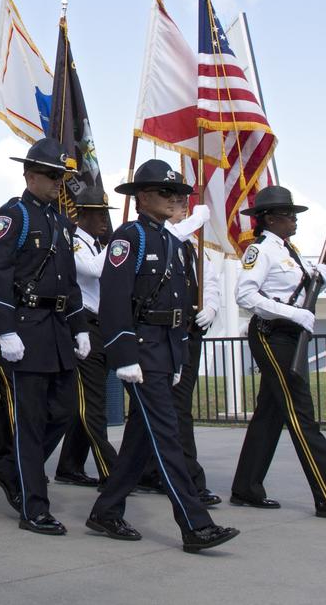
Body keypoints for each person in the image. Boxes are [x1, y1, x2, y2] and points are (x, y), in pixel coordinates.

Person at [87, 159, 240, 553]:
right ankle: (195, 525)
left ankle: (106, 511)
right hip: (139, 348)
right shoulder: (130, 238)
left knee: (142, 438)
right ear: (142, 197)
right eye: (166, 192)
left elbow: (177, 304)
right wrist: (123, 355)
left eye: (178, 193)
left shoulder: (171, 241)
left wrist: (176, 360)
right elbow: (115, 301)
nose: (175, 199)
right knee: (167, 436)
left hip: (164, 350)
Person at [230, 185, 326, 518]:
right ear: (270, 219)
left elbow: (297, 291)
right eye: (289, 214)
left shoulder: (290, 250)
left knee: (271, 414)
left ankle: (246, 488)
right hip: (271, 335)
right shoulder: (260, 251)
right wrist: (293, 313)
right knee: (299, 412)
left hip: (289, 337)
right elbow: (245, 296)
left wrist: (319, 278)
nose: (294, 219)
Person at [0, 138, 87, 535]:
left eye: (62, 176)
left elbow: (70, 281)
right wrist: (4, 330)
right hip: (25, 329)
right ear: (29, 174)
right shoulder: (15, 215)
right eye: (51, 175)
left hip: (57, 329)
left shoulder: (60, 221)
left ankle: (11, 468)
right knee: (30, 421)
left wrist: (79, 327)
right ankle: (34, 507)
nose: (58, 182)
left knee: (64, 410)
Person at [53, 185, 119, 488]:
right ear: (81, 216)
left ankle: (69, 465)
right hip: (81, 326)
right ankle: (112, 470)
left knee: (86, 403)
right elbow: (91, 271)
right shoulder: (76, 243)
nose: (104, 220)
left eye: (106, 213)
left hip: (100, 326)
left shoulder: (96, 243)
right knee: (92, 404)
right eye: (97, 214)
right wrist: (117, 245)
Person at [162, 197, 223, 504]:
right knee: (173, 409)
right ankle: (190, 480)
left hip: (189, 332)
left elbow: (210, 281)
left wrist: (211, 307)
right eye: (173, 202)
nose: (182, 208)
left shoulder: (193, 246)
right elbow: (167, 240)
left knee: (173, 407)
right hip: (161, 336)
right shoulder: (161, 236)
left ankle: (150, 471)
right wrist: (193, 222)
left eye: (184, 203)